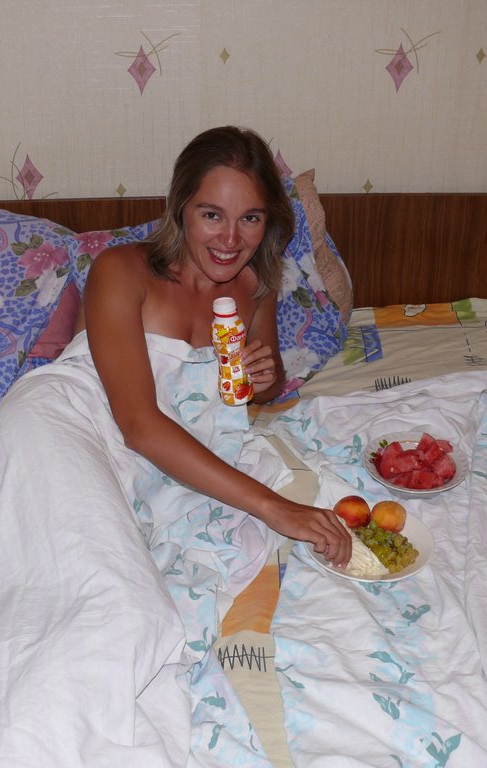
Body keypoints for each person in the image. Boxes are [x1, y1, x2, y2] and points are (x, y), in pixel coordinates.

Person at [82, 125, 352, 567]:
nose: (230, 240)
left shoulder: (258, 285)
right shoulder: (120, 271)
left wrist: (262, 379)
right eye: (212, 215)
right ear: (181, 208)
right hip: (77, 426)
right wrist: (274, 507)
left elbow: (264, 387)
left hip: (164, 464)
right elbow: (137, 425)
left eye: (250, 218)